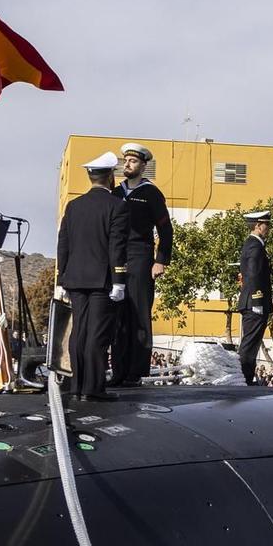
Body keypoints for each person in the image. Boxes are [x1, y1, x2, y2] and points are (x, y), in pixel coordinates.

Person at [54, 151, 130, 402]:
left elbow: (63, 244)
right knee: (97, 334)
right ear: (110, 177)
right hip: (102, 280)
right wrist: (119, 281)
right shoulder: (117, 206)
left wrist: (62, 277)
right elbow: (116, 247)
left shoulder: (73, 206)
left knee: (79, 333)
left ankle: (76, 385)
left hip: (75, 278)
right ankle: (93, 387)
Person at [112, 143, 175, 386]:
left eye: (133, 161)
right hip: (118, 258)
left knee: (138, 314)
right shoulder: (116, 193)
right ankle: (118, 370)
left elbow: (165, 230)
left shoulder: (151, 193)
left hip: (141, 257)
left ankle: (136, 372)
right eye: (125, 160)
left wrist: (161, 260)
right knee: (119, 316)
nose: (127, 164)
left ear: (143, 166)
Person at [236, 210, 273, 386]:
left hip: (252, 301)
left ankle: (246, 377)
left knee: (252, 342)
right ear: (258, 226)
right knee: (250, 343)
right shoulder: (255, 246)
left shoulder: (253, 245)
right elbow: (253, 274)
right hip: (254, 302)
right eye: (266, 225)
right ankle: (244, 377)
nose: (269, 229)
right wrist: (258, 300)